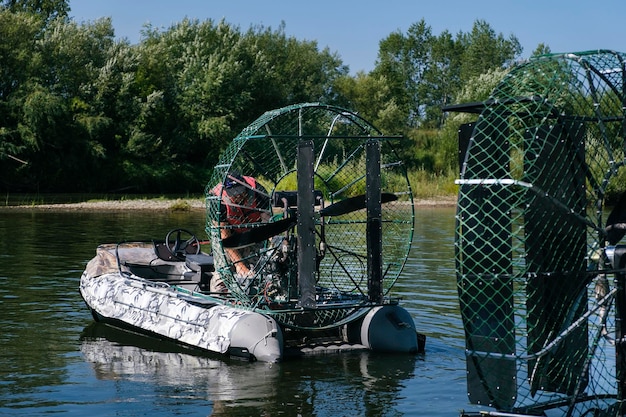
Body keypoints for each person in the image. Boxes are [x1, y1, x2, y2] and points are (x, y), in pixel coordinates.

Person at [210, 173, 271, 292]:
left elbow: (267, 225)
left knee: (256, 271)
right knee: (224, 274)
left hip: (252, 231)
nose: (236, 196)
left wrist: (274, 244)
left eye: (239, 192)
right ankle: (218, 298)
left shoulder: (258, 191)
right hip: (226, 233)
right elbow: (224, 237)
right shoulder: (216, 200)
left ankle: (254, 297)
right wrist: (239, 265)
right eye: (233, 194)